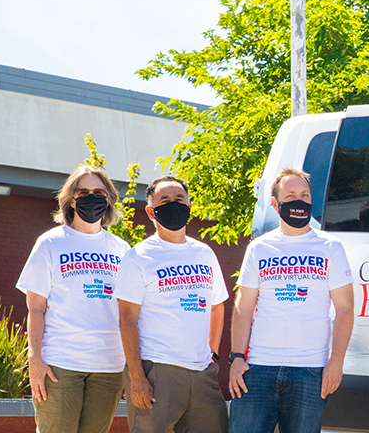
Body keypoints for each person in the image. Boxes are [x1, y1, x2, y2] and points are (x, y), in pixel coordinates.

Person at [228, 168, 355, 433]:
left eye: (304, 195)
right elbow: (243, 306)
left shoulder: (330, 247)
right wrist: (237, 358)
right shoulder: (259, 247)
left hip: (310, 373)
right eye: (290, 195)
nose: (299, 200)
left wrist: (336, 362)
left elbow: (345, 307)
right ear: (275, 204)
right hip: (257, 368)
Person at [16, 165, 129, 433]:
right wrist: (35, 359)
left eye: (99, 192)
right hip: (60, 364)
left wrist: (130, 367)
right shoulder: (50, 243)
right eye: (84, 192)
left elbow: (130, 313)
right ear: (71, 199)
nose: (92, 197)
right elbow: (35, 308)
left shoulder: (122, 249)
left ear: (109, 198)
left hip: (109, 367)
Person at [115, 176, 229, 433]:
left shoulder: (204, 253)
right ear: (150, 211)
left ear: (189, 206)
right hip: (158, 371)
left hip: (202, 373)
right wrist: (137, 377)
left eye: (179, 199)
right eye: (164, 200)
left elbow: (217, 306)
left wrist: (212, 357)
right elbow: (127, 319)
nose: (173, 205)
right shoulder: (138, 256)